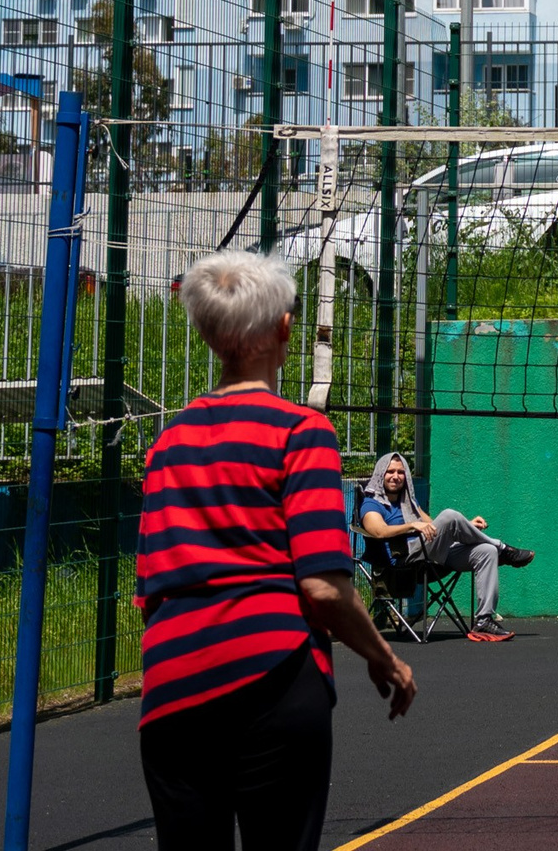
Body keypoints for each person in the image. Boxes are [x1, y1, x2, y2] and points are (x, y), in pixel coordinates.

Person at [135, 251, 416, 850]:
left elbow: (152, 584)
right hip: (273, 679)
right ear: (286, 328)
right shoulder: (300, 432)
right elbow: (321, 586)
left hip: (171, 689)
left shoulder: (167, 445)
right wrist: (382, 656)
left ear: (209, 336)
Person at [355, 451, 535, 641]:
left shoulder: (409, 503)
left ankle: (484, 619)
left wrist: (468, 525)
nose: (396, 476)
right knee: (449, 515)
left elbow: (434, 528)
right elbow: (378, 531)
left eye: (400, 472)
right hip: (403, 559)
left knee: (486, 552)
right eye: (390, 471)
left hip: (430, 555)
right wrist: (411, 525)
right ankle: (503, 549)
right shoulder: (371, 503)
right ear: (380, 474)